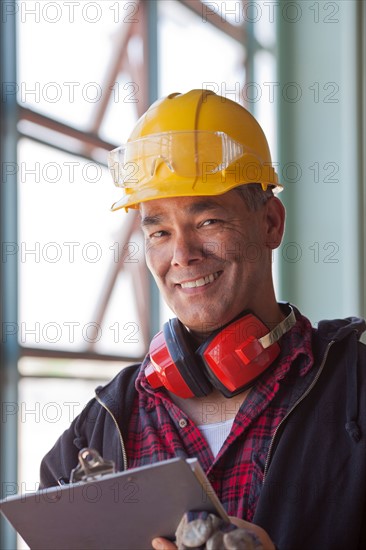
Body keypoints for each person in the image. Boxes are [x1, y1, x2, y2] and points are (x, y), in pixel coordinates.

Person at [40, 90, 366, 550]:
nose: (183, 255)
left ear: (271, 223)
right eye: (159, 232)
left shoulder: (356, 388)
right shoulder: (101, 427)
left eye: (209, 220)